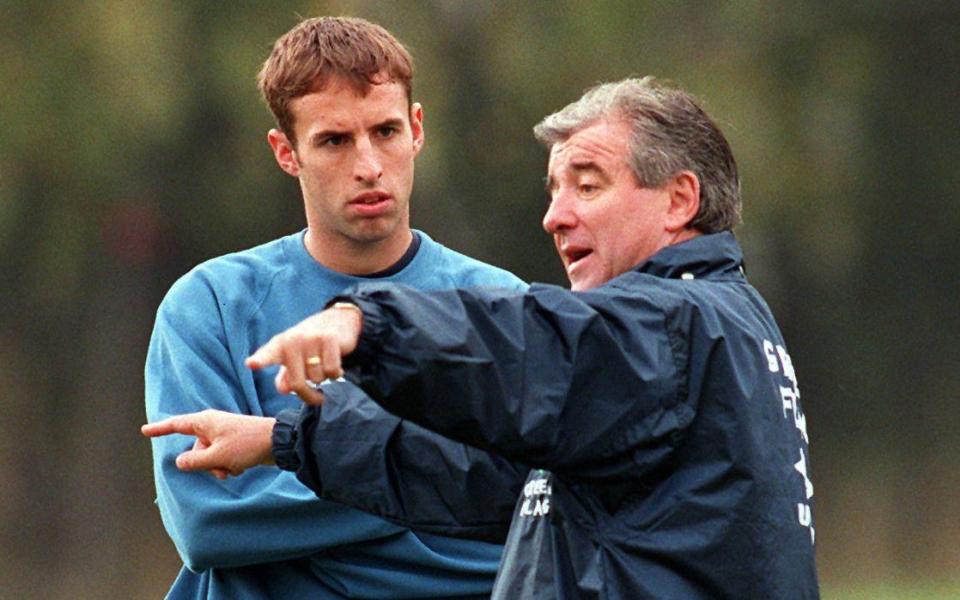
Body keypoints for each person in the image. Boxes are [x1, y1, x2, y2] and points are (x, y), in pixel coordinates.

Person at [145, 77, 820, 598]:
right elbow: (483, 470)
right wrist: (281, 441)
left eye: (587, 185)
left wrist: (368, 324)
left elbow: (526, 346)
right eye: (554, 190)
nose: (555, 217)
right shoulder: (696, 335)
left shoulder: (673, 325)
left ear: (679, 200)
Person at [144, 16, 527, 599]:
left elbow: (527, 528)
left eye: (386, 132)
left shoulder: (500, 305)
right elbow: (209, 525)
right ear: (286, 152)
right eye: (334, 140)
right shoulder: (211, 305)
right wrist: (440, 484)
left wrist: (287, 530)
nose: (369, 165)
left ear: (417, 129)